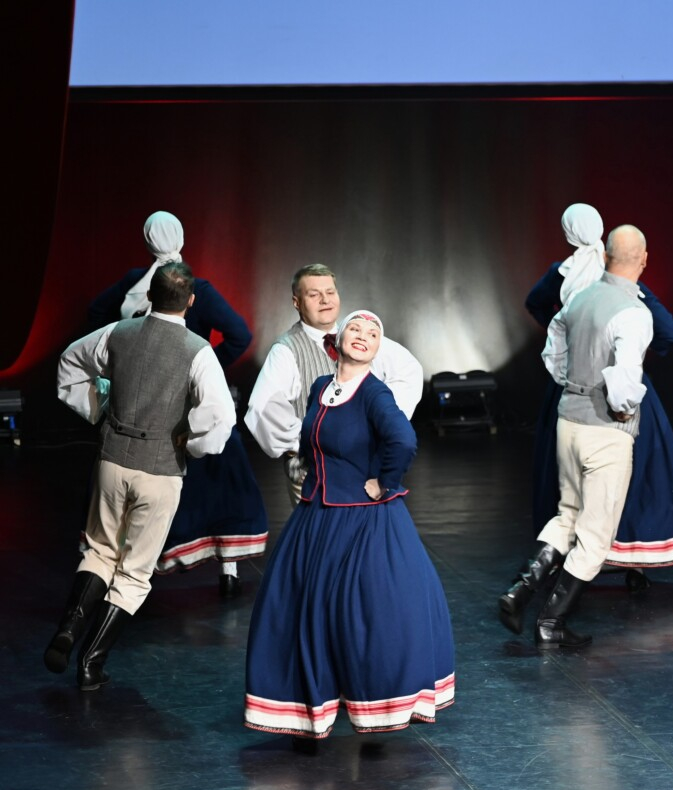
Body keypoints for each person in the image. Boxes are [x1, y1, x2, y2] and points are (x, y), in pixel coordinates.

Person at [243, 310, 455, 742]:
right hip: (317, 516)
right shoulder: (323, 387)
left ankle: (375, 700)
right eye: (354, 329)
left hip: (364, 519)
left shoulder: (375, 394)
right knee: (301, 608)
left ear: (379, 348)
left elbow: (404, 440)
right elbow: (314, 439)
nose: (363, 336)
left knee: (367, 612)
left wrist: (385, 482)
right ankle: (313, 701)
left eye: (373, 332)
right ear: (335, 342)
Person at [46, 262, 235, 690]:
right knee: (134, 572)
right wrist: (194, 444)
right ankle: (90, 663)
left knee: (98, 550)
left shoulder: (117, 333)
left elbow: (69, 366)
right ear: (190, 301)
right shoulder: (198, 350)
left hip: (112, 460)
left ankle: (70, 627)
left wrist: (96, 410)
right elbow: (221, 417)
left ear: (149, 295)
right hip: (160, 470)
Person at [85, 211, 267, 597]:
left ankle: (129, 571)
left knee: (139, 483)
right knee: (218, 480)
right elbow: (239, 333)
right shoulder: (194, 285)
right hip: (190, 402)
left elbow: (96, 315)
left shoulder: (136, 284)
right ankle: (227, 566)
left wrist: (118, 361)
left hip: (141, 403)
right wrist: (207, 366)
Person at [524, 204, 673, 587]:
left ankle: (547, 571)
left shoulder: (563, 276)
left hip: (570, 392)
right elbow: (669, 333)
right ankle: (629, 558)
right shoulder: (626, 290)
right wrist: (630, 351)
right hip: (621, 395)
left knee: (569, 490)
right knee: (628, 480)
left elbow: (539, 308)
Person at [497, 226, 653, 647]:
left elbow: (555, 345)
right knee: (596, 533)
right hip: (606, 429)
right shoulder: (633, 311)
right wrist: (623, 406)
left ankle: (521, 590)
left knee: (569, 513)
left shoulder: (581, 297)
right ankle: (551, 623)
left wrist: (573, 383)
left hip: (569, 418)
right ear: (643, 260)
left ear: (605, 257)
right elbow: (625, 374)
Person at [245, 264, 425, 507]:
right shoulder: (287, 349)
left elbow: (408, 370)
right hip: (314, 474)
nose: (325, 300)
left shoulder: (357, 333)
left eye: (330, 292)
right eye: (314, 294)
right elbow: (262, 408)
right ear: (297, 303)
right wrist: (305, 442)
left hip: (361, 471)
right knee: (319, 540)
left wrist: (379, 426)